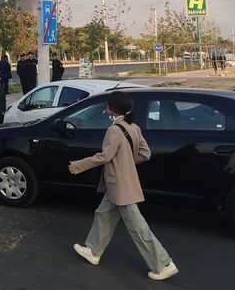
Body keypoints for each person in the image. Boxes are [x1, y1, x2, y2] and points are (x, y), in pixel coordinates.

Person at [68, 91, 178, 281]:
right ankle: (93, 251)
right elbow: (145, 154)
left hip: (119, 185)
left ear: (112, 109)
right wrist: (126, 162)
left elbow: (105, 156)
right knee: (103, 215)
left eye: (107, 105)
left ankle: (163, 264)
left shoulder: (114, 130)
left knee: (138, 228)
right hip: (120, 184)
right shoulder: (133, 127)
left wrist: (78, 165)